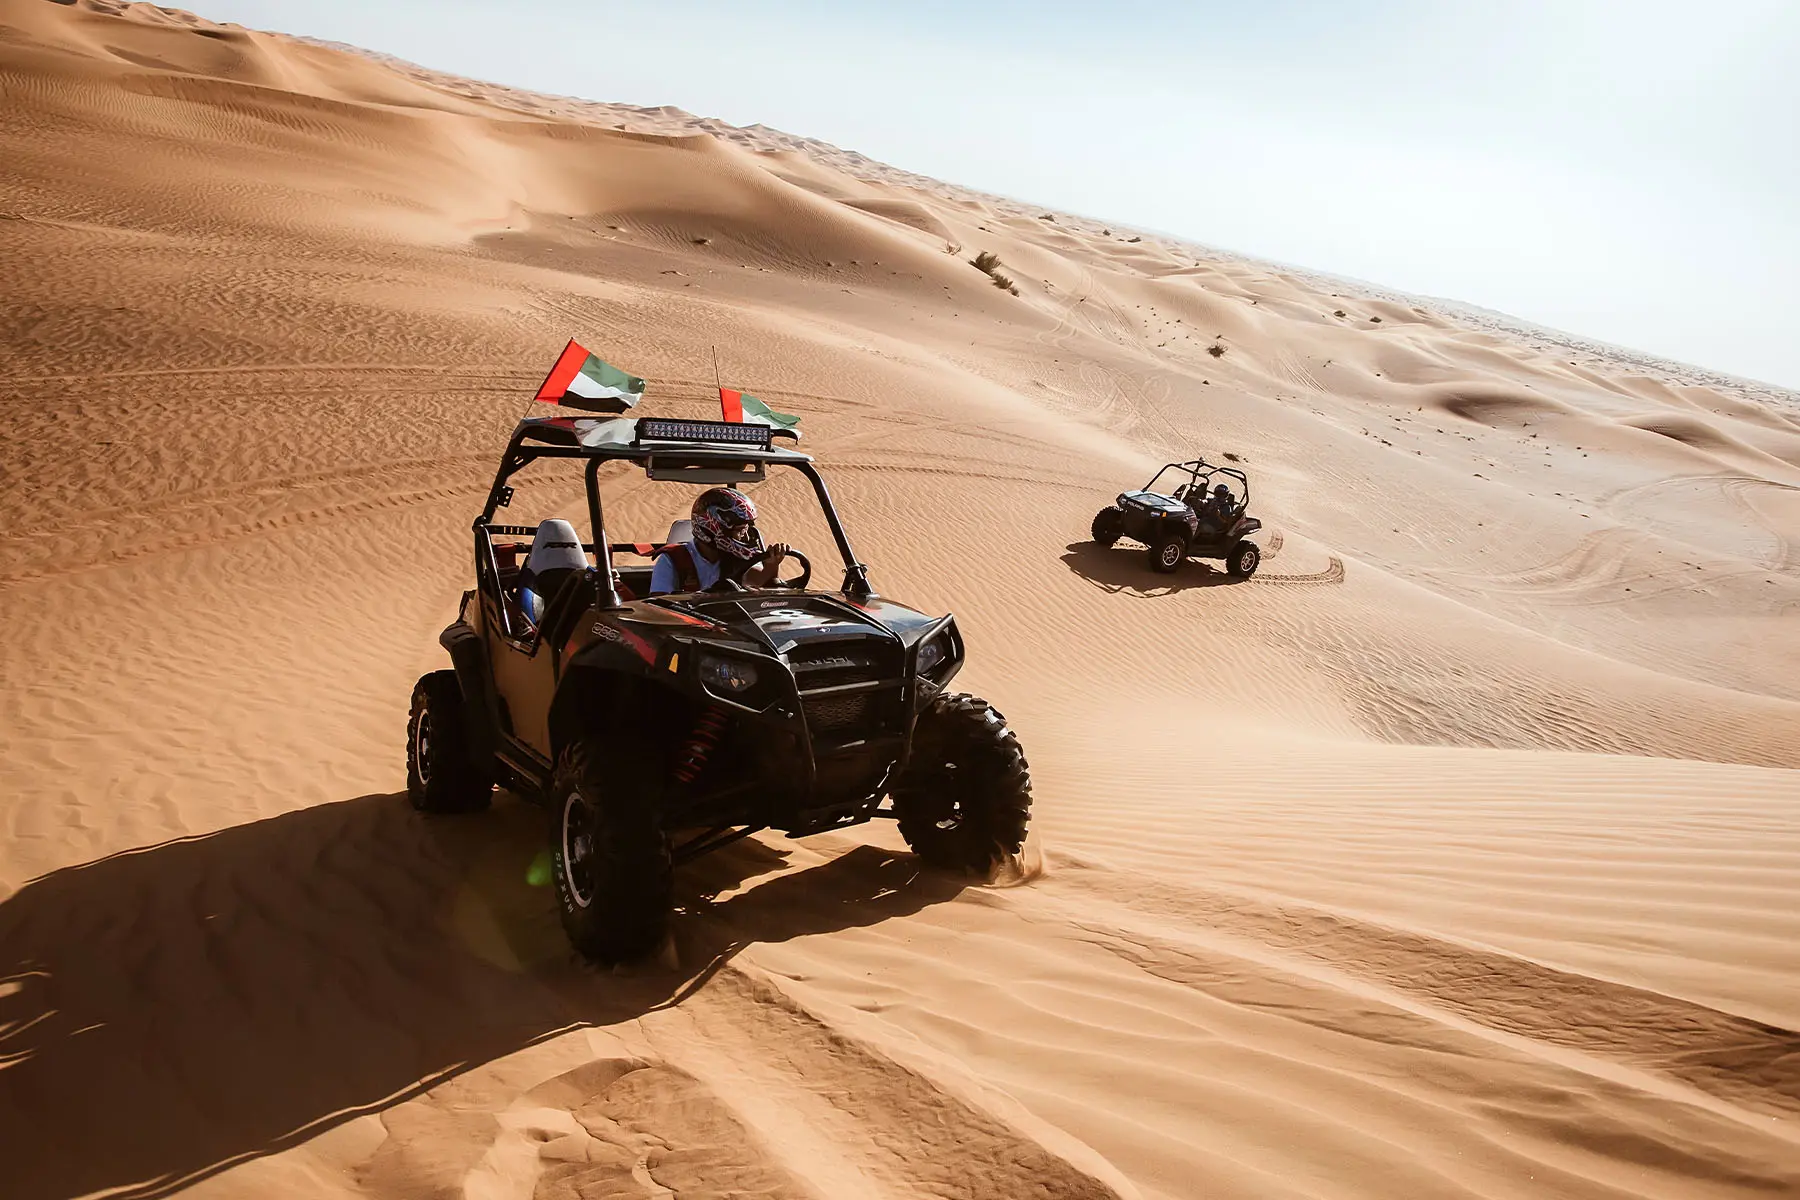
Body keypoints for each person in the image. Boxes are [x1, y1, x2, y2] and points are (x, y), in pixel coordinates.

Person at [649, 486, 790, 595]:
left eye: (745, 529)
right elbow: (658, 608)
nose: (744, 536)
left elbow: (759, 583)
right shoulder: (673, 560)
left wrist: (772, 565)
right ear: (712, 528)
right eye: (738, 530)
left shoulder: (736, 558)